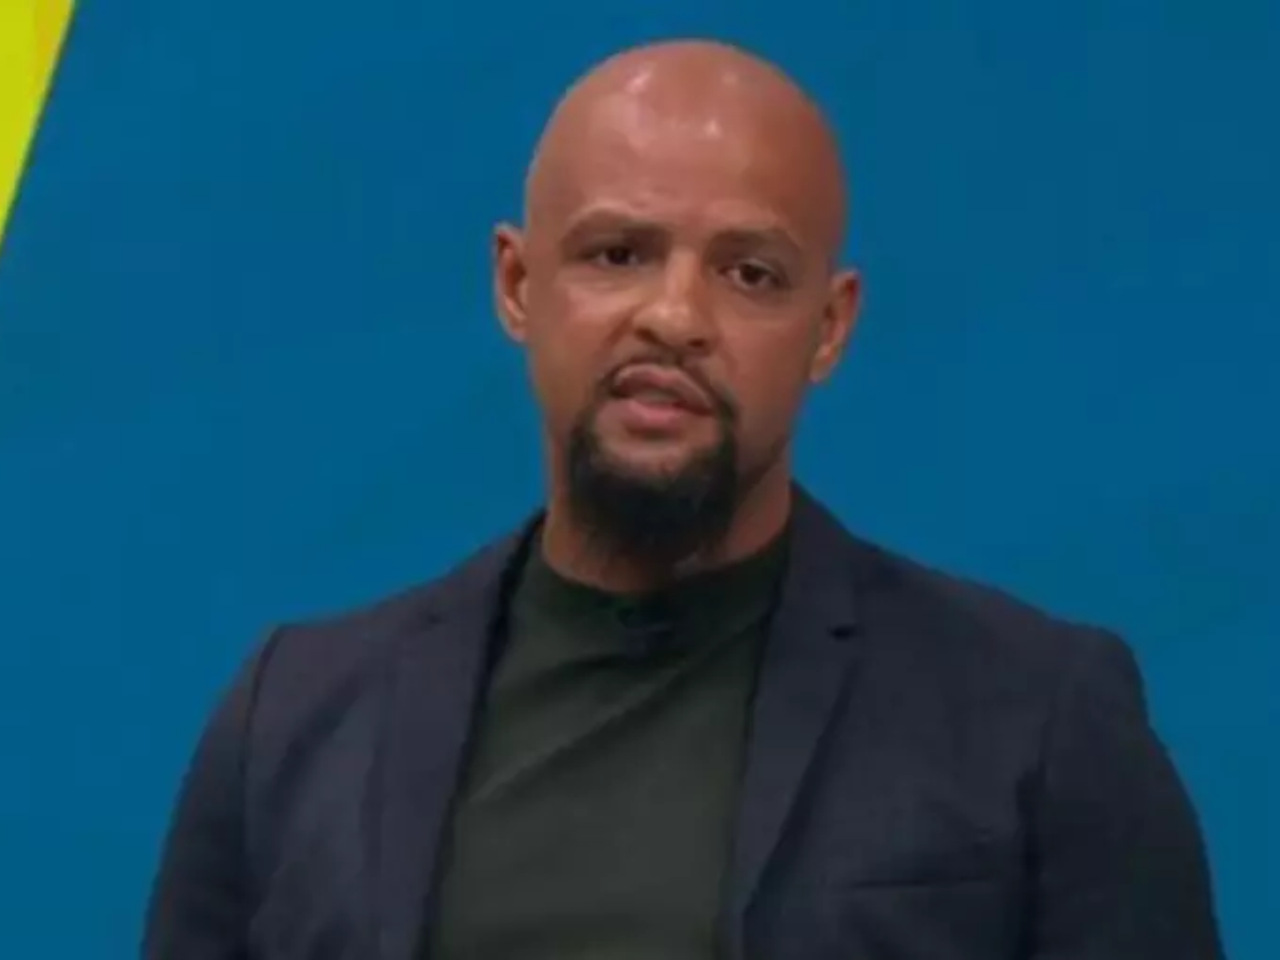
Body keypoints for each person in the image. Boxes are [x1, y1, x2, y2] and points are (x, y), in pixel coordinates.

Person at [142, 39, 1223, 960]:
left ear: (830, 328)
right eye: (617, 254)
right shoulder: (292, 720)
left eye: (749, 273)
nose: (674, 316)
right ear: (518, 285)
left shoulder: (1037, 719)